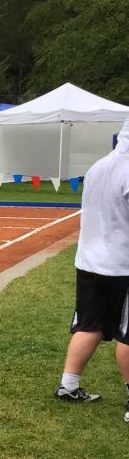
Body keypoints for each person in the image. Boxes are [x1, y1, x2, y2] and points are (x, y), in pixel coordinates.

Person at [52, 117, 129, 424]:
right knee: (127, 335)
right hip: (122, 264)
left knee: (89, 324)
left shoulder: (99, 167)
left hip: (89, 261)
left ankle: (69, 385)